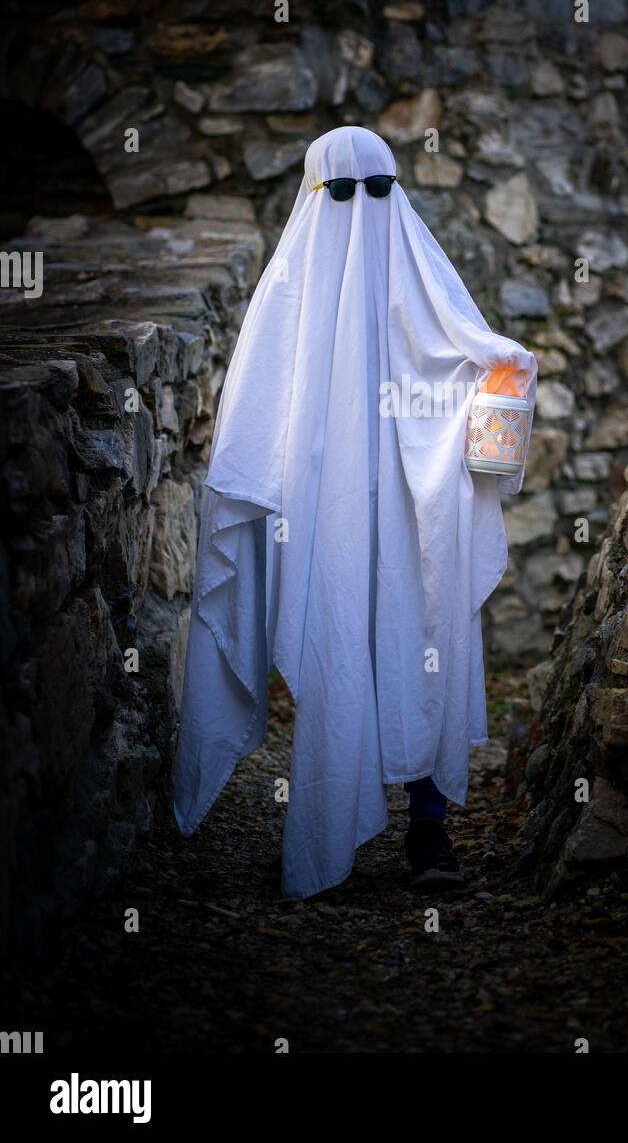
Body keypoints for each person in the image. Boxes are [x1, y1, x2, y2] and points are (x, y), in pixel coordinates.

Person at [172, 125, 537, 897]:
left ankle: (428, 831)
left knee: (421, 644)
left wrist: (502, 373)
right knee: (339, 644)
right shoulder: (290, 295)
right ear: (315, 195)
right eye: (342, 191)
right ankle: (331, 826)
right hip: (323, 519)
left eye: (378, 189)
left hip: (416, 515)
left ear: (396, 189)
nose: (362, 207)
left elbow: (467, 355)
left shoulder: (423, 277)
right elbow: (257, 409)